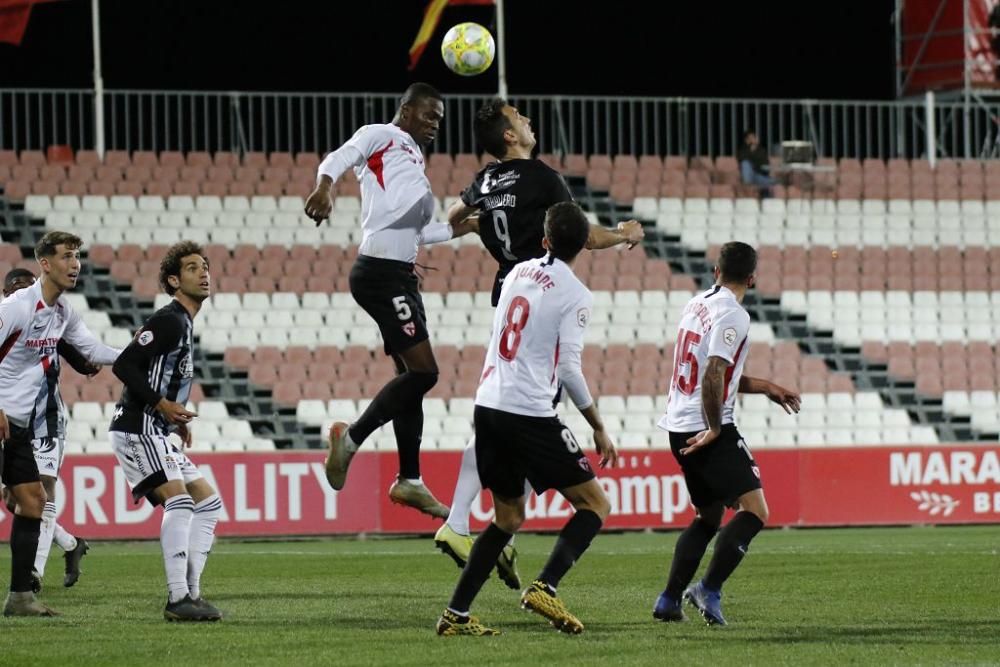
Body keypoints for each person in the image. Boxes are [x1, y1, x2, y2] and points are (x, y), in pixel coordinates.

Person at [431, 98, 644, 587]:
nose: (528, 121)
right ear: (510, 135)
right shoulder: (543, 178)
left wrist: (476, 221)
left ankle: (478, 527)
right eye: (519, 118)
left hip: (508, 293)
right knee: (525, 417)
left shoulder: (485, 179)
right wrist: (624, 233)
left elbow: (456, 209)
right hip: (541, 295)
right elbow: (583, 236)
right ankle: (464, 525)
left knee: (502, 415)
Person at [436, 202, 618, 637]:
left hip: (489, 404)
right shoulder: (576, 294)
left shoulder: (517, 272)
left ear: (544, 240)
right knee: (595, 505)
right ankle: (545, 586)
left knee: (508, 518)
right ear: (585, 247)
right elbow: (570, 368)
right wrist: (596, 423)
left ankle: (455, 615)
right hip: (529, 411)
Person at [304, 82, 455, 519]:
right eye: (429, 115)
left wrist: (465, 228)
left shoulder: (412, 159)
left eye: (440, 120)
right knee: (425, 372)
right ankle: (350, 439)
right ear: (406, 110)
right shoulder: (381, 134)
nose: (434, 124)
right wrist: (325, 188)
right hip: (381, 274)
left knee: (411, 381)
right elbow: (338, 156)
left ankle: (410, 480)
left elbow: (420, 233)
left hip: (401, 276)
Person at [651, 241, 800, 626]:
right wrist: (716, 428)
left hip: (677, 425)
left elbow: (713, 370)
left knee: (707, 517)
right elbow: (714, 371)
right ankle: (708, 588)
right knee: (755, 511)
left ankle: (669, 600)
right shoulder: (734, 315)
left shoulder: (696, 304)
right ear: (752, 278)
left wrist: (766, 385)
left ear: (715, 271)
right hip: (706, 426)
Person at [0, 231, 120, 616]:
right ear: (45, 264)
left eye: (78, 256)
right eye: (67, 256)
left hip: (18, 427)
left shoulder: (63, 312)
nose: (76, 264)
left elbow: (92, 351)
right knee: (29, 500)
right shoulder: (17, 307)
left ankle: (20, 598)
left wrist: (139, 351)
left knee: (33, 502)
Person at [108, 241, 224, 622]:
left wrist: (171, 418)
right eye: (193, 268)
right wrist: (160, 405)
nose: (204, 272)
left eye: (205, 266)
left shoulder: (185, 323)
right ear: (174, 280)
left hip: (156, 428)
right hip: (137, 426)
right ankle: (177, 599)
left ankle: (191, 592)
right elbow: (125, 365)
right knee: (181, 502)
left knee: (208, 502)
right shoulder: (169, 319)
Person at [2, 268, 96, 593]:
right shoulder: (11, 324)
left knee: (42, 490)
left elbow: (77, 354)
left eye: (30, 286)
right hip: (13, 420)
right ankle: (70, 544)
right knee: (15, 500)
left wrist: (90, 364)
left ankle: (34, 573)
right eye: (17, 289)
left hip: (47, 419)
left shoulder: (53, 322)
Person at [736, 130, 774, 197]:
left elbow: (765, 165)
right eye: (751, 138)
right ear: (746, 140)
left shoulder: (762, 151)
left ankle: (767, 202)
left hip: (760, 176)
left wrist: (754, 155)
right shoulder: (743, 150)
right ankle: (748, 184)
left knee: (774, 182)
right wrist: (751, 150)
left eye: (754, 137)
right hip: (748, 176)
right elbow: (743, 160)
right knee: (745, 163)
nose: (753, 140)